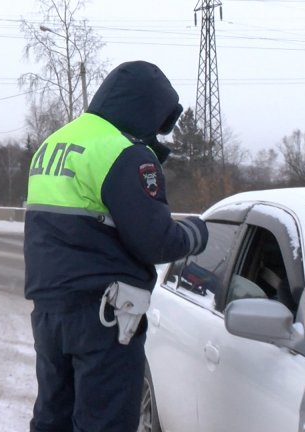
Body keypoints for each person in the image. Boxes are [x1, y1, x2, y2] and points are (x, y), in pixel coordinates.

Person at [24, 60, 209, 432]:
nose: (158, 134)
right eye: (159, 123)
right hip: (103, 317)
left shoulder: (55, 143)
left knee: (52, 418)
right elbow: (157, 242)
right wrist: (197, 233)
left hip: (48, 312)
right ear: (146, 109)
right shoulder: (122, 152)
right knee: (104, 423)